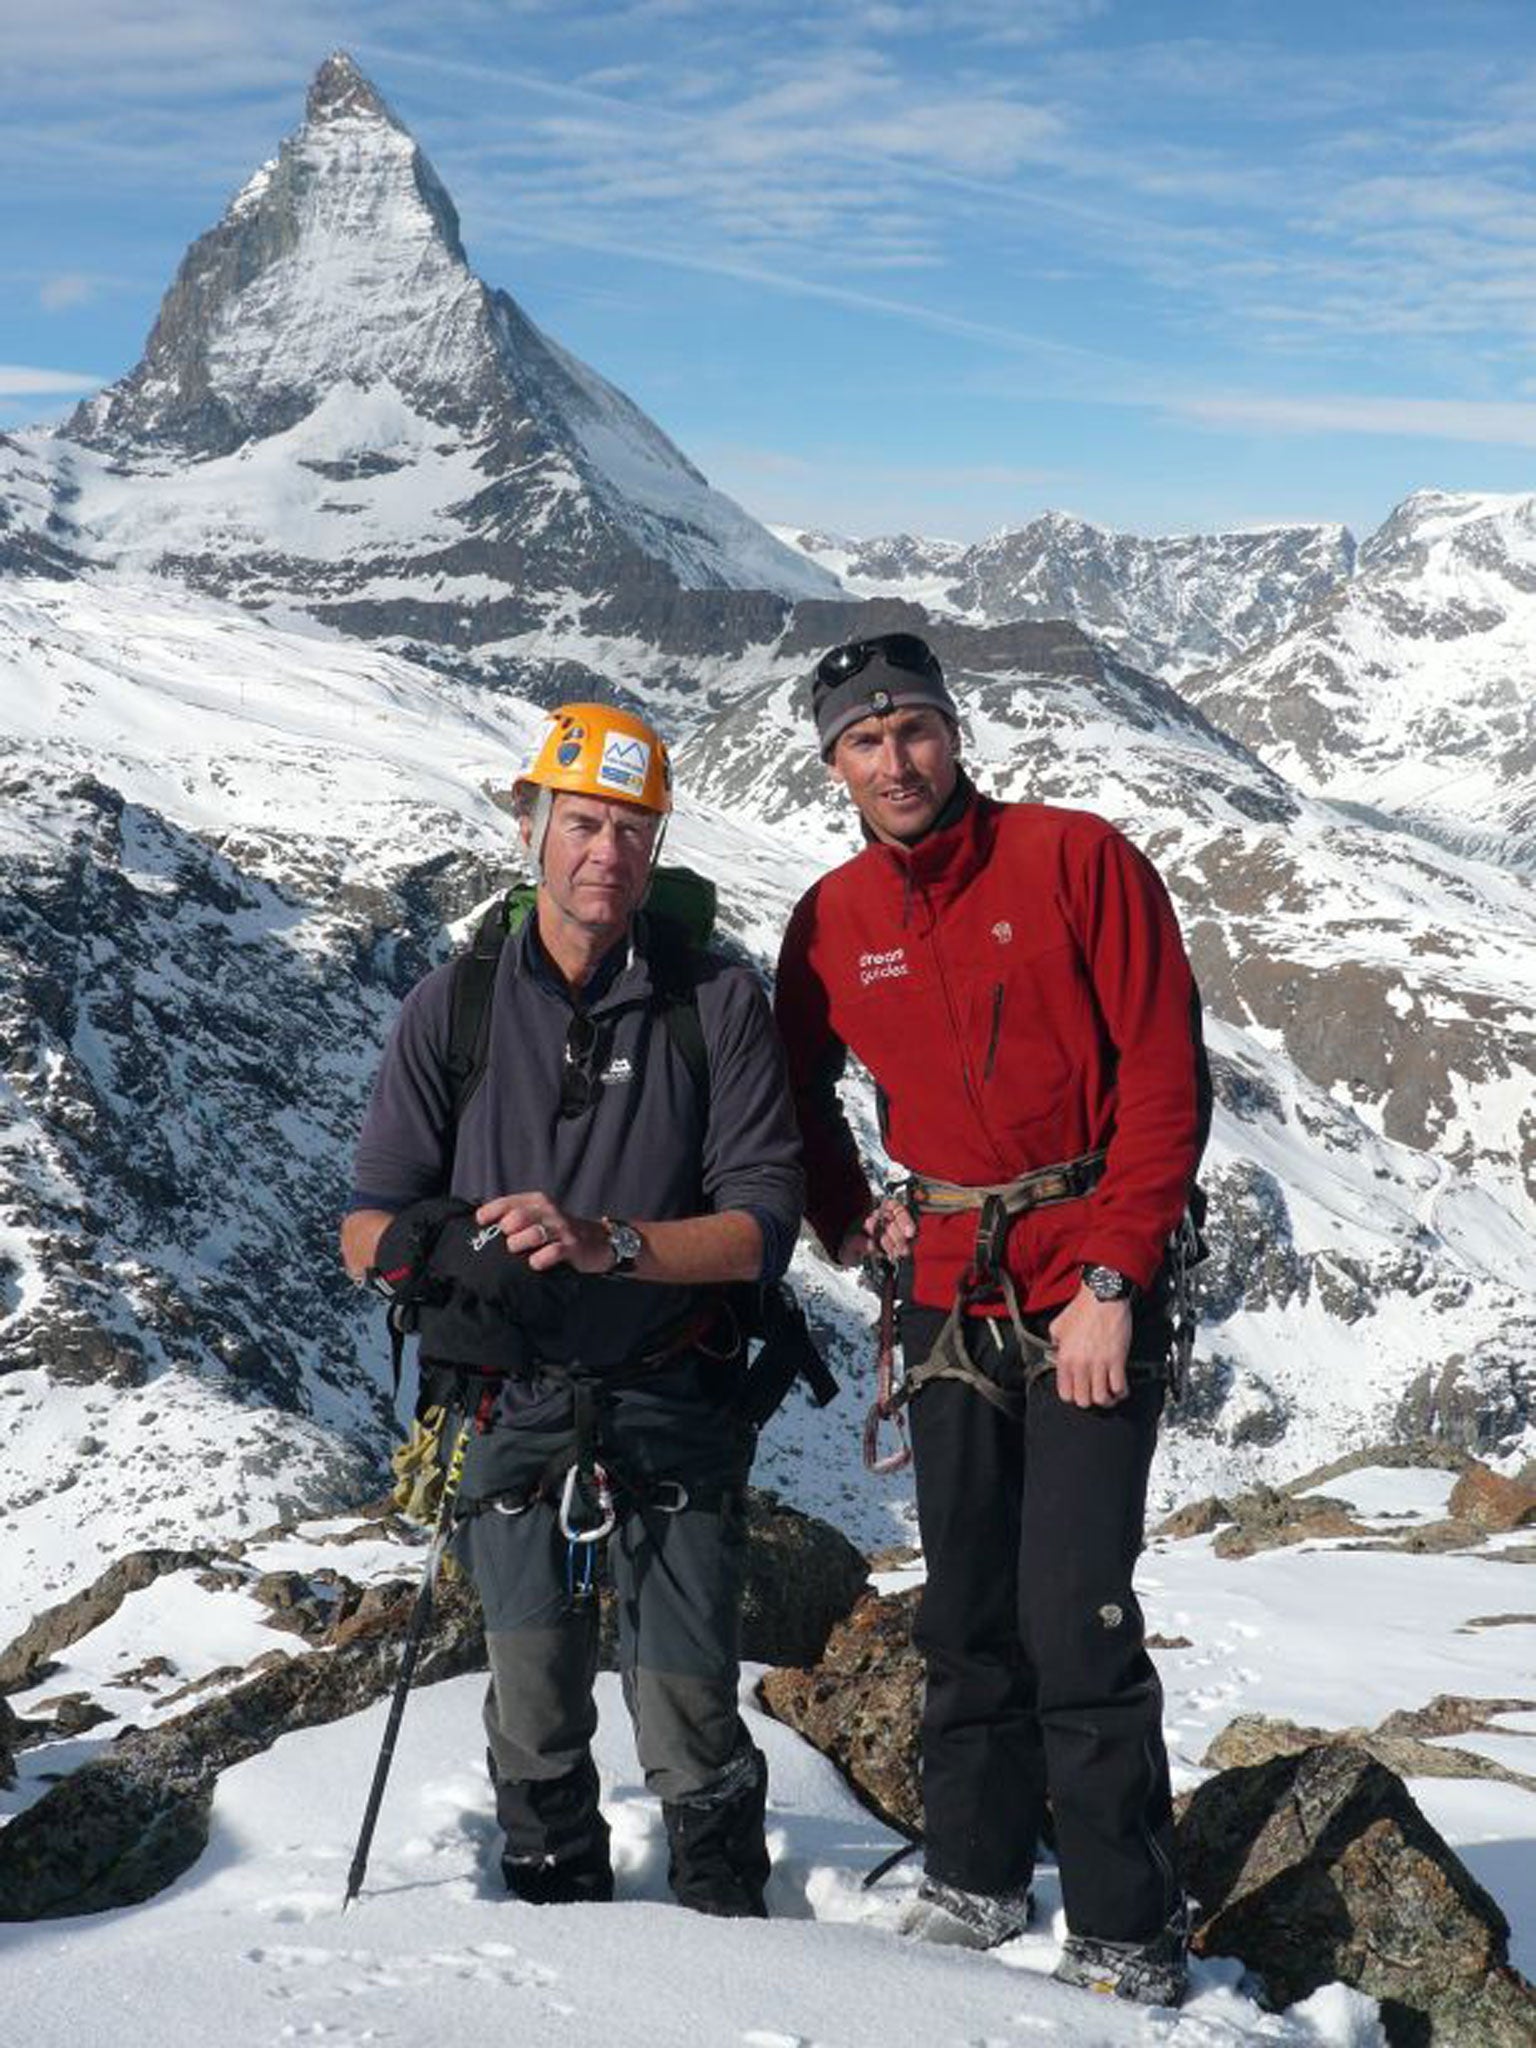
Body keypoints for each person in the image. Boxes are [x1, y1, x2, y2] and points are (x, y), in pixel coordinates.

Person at [773, 632, 1207, 2005]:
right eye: (864, 740)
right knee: (965, 1610)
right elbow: (789, 1100)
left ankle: (1128, 1924)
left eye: (914, 731)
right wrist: (850, 1224)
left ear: (954, 736)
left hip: (1089, 1275)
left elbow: (1161, 1078)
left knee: (1074, 1613)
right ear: (834, 763)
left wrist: (1115, 1280)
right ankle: (973, 1872)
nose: (894, 761)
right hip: (948, 1287)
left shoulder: (1075, 860)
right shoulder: (835, 919)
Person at [342, 702, 804, 1918]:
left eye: (634, 830)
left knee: (688, 1699)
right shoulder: (456, 1004)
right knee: (533, 1692)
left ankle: (731, 1937)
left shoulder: (716, 1004)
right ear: (533, 828)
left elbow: (763, 1225)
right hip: (509, 1394)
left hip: (671, 1384)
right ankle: (558, 1938)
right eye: (585, 823)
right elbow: (368, 1219)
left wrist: (610, 1243)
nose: (608, 853)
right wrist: (449, 1251)